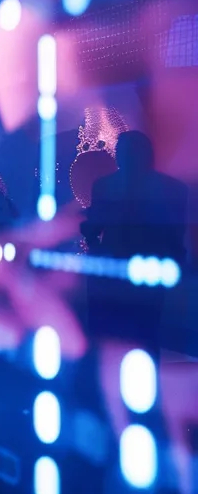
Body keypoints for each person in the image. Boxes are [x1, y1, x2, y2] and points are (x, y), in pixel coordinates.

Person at [83, 131, 188, 345]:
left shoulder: (104, 186)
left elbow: (93, 228)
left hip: (114, 269)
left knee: (112, 333)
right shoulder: (174, 188)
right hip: (153, 268)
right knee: (146, 331)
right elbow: (177, 235)